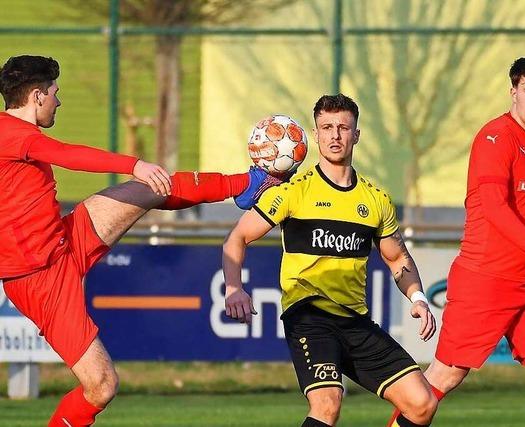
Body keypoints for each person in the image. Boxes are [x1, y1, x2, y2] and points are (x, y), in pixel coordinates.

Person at [0, 55, 277, 427]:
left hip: (66, 238)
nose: (59, 101)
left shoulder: (21, 134)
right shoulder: (11, 134)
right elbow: (67, 155)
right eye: (54, 93)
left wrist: (139, 172)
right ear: (36, 96)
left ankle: (246, 184)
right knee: (101, 386)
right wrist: (133, 163)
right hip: (39, 279)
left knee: (150, 187)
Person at [223, 94, 440, 427]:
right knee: (327, 403)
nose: (335, 135)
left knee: (422, 403)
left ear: (356, 134)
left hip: (355, 320)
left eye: (342, 127)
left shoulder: (375, 200)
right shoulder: (293, 191)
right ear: (315, 134)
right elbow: (237, 238)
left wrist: (419, 299)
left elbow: (397, 259)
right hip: (309, 316)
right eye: (326, 128)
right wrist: (234, 287)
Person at [386, 56, 525, 427]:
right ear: (513, 92)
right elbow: (493, 208)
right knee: (443, 377)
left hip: (523, 284)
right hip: (484, 281)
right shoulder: (496, 137)